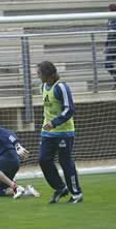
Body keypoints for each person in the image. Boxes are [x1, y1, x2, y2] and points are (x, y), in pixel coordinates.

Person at [37, 61, 83, 204]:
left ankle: (76, 194)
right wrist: (47, 125)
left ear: (47, 74)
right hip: (47, 133)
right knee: (43, 160)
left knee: (65, 162)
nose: (37, 75)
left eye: (39, 72)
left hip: (64, 133)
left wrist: (55, 122)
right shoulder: (42, 87)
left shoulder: (61, 87)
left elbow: (69, 109)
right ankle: (60, 188)